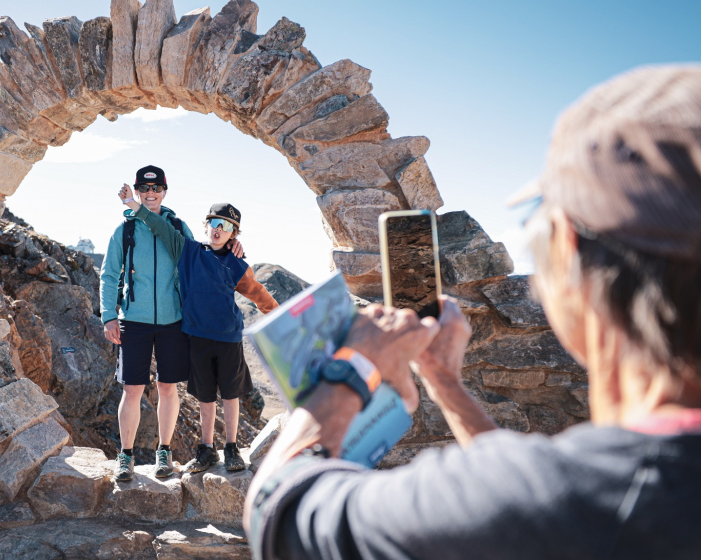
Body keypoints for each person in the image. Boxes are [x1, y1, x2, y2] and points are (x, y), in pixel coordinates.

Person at [245, 64, 701, 559]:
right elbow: (516, 495)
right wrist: (445, 382)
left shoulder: (586, 500)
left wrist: (354, 366)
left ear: (568, 255)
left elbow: (280, 514)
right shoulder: (577, 497)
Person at [118, 188, 279, 473]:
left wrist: (283, 318)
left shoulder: (236, 264)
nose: (218, 230)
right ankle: (206, 450)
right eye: (214, 224)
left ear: (234, 234)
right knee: (205, 396)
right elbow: (159, 226)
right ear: (206, 226)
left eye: (226, 226)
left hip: (228, 338)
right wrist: (134, 205)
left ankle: (231, 449)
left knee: (230, 395)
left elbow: (259, 294)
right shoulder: (188, 250)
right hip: (197, 338)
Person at [99, 165, 200, 482]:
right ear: (140, 191)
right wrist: (109, 316)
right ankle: (125, 457)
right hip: (135, 322)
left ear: (165, 192)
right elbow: (108, 275)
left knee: (168, 388)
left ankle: (164, 453)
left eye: (156, 189)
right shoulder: (124, 231)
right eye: (145, 190)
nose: (151, 193)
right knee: (132, 390)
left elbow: (194, 265)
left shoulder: (178, 227)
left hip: (174, 322)